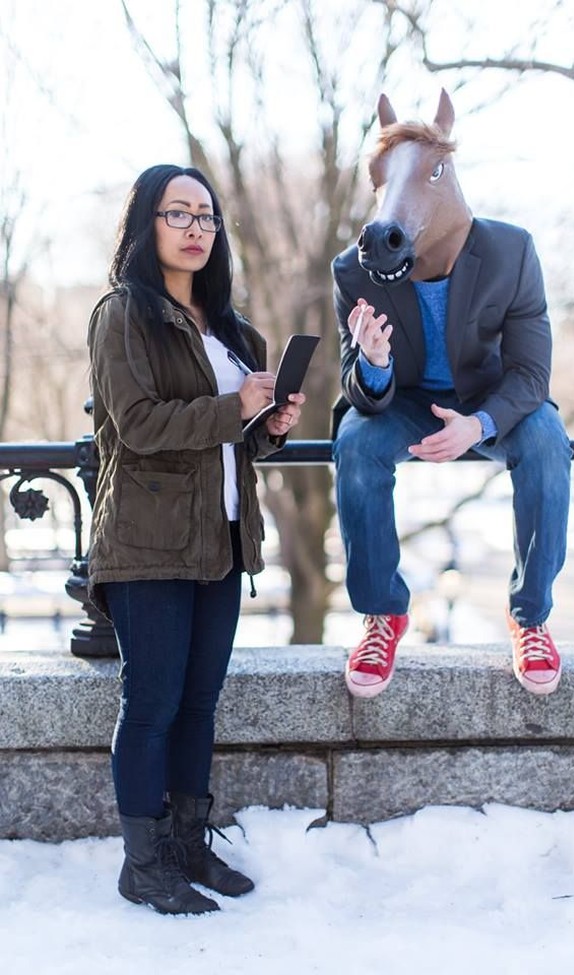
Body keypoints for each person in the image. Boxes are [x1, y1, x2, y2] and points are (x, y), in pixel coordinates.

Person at [87, 164, 304, 915]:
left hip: (223, 539)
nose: (196, 228)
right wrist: (231, 407)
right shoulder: (123, 314)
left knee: (199, 704)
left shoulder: (236, 331)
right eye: (177, 213)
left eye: (206, 216)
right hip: (147, 540)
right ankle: (143, 864)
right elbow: (138, 425)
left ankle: (186, 845)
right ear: (145, 223)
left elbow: (235, 441)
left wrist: (268, 425)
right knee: (152, 703)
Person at [331, 91, 572, 700]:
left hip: (492, 400)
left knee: (547, 440)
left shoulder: (512, 252)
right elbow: (358, 390)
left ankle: (531, 616)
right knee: (355, 442)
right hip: (405, 403)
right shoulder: (354, 271)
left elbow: (531, 375)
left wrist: (480, 425)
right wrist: (375, 362)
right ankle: (382, 615)